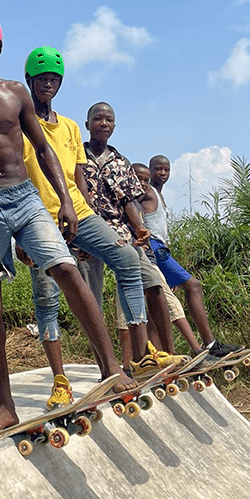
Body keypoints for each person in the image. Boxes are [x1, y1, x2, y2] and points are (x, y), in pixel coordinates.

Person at [0, 14, 137, 436]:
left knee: (67, 272)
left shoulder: (14, 93)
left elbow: (43, 149)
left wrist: (65, 202)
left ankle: (111, 370)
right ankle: (5, 407)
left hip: (26, 199)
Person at [18, 47, 182, 409]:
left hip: (76, 212)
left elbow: (78, 174)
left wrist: (86, 214)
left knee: (126, 260)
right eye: (42, 78)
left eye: (54, 79)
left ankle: (139, 356)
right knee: (48, 300)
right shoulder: (19, 123)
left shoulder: (71, 127)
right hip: (38, 217)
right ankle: (60, 381)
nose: (48, 83)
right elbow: (16, 171)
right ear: (29, 80)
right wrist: (19, 230)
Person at [80, 102, 180, 366]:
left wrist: (139, 227)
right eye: (97, 118)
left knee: (154, 284)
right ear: (87, 124)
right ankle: (108, 368)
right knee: (93, 303)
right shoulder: (76, 157)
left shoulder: (121, 162)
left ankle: (162, 356)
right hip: (87, 232)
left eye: (109, 119)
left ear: (114, 126)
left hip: (121, 233)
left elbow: (128, 201)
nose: (103, 123)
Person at [141, 156, 241, 358]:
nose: (162, 173)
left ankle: (159, 356)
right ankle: (210, 344)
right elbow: (131, 204)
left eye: (166, 170)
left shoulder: (159, 196)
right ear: (150, 170)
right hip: (153, 247)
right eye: (158, 169)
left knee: (155, 305)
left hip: (160, 249)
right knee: (194, 286)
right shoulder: (146, 191)